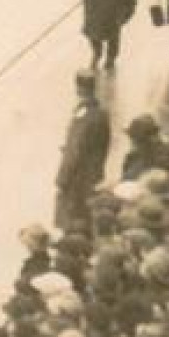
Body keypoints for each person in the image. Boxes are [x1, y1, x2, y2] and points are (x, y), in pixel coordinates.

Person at [54, 69, 110, 229]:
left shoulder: (82, 115)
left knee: (72, 217)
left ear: (79, 89)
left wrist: (62, 179)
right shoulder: (101, 113)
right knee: (87, 212)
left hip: (78, 177)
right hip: (94, 172)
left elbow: (74, 150)